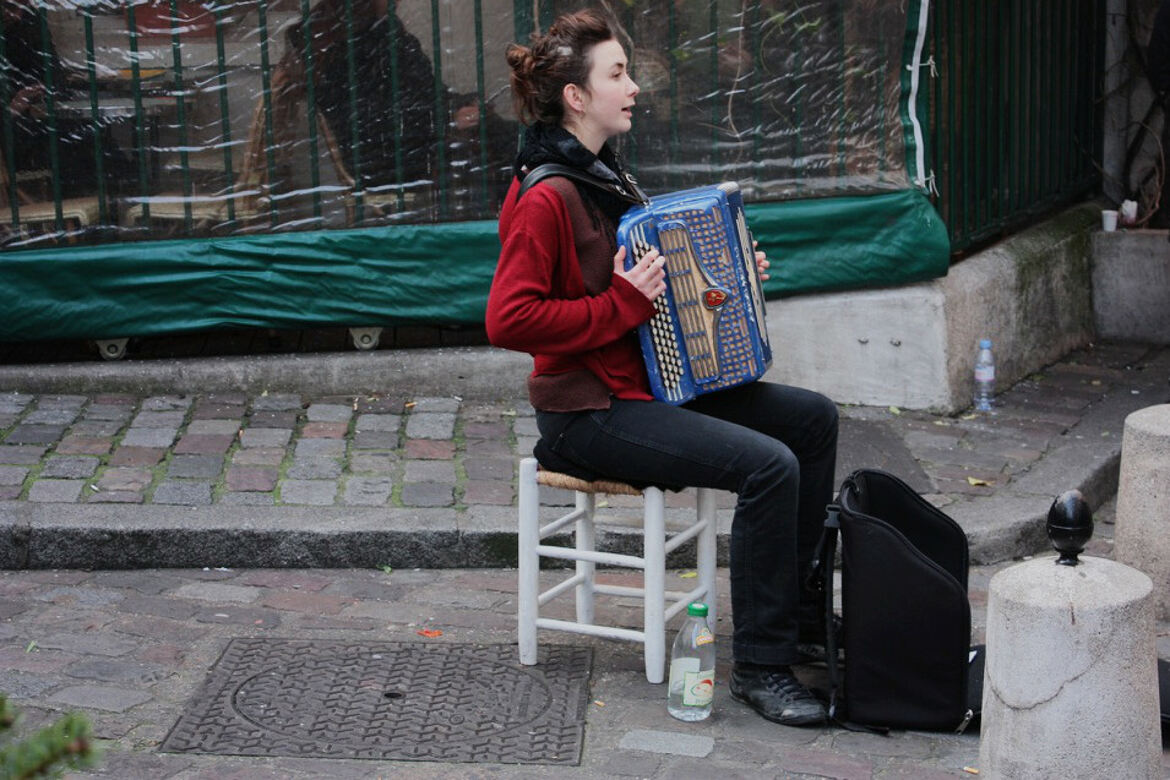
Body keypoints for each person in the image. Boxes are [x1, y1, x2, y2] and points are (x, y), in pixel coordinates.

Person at [486, 8, 839, 727]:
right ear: (576, 97)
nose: (634, 87)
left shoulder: (602, 175)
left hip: (642, 387)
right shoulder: (547, 194)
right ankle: (762, 668)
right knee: (769, 466)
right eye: (617, 74)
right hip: (583, 413)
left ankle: (798, 619)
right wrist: (617, 304)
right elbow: (508, 320)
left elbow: (654, 286)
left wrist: (734, 275)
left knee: (812, 420)